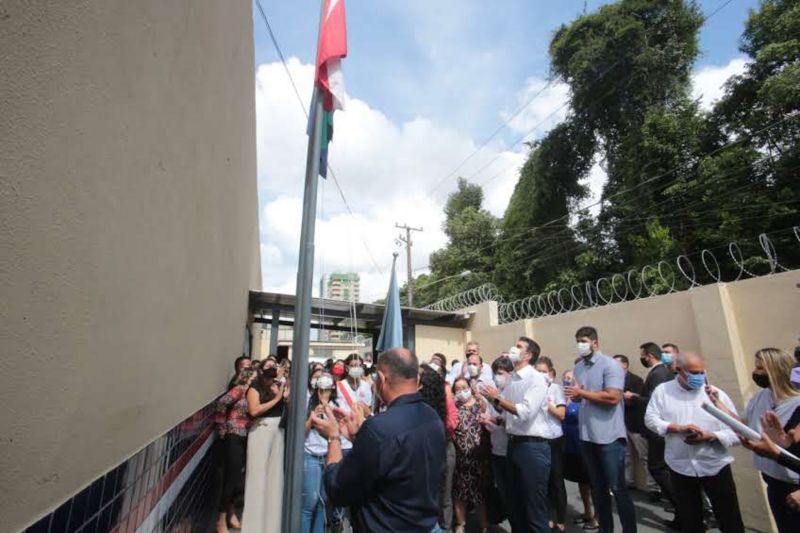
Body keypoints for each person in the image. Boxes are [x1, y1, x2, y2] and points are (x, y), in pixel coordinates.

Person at [312, 348, 446, 532]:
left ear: (382, 379)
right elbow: (397, 461)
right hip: (426, 525)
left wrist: (333, 437)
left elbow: (338, 489)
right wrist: (359, 437)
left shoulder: (379, 428)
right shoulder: (433, 417)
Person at [645, 352, 745, 533]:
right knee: (691, 521)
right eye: (693, 373)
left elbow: (738, 433)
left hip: (715, 465)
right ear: (679, 370)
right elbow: (650, 419)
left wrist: (711, 436)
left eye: (701, 372)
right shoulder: (663, 391)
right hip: (680, 466)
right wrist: (675, 428)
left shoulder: (715, 395)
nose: (699, 377)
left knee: (730, 519)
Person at [712, 347, 800, 532]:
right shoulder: (761, 397)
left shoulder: (796, 404)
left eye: (760, 368)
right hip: (773, 480)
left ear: (776, 370)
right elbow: (744, 424)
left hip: (794, 485)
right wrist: (716, 405)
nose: (755, 373)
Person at [566, 326, 637, 533]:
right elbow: (583, 395)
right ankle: (605, 528)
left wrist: (583, 394)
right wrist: (578, 396)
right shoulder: (579, 368)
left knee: (618, 488)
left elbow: (613, 397)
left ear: (595, 343)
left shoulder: (610, 365)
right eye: (578, 340)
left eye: (585, 340)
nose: (581, 344)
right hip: (587, 436)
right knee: (598, 489)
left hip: (609, 438)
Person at [480, 336, 550, 532]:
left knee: (534, 507)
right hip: (513, 445)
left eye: (518, 346)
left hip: (532, 447)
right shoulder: (512, 381)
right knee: (515, 505)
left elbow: (525, 411)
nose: (513, 348)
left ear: (528, 355)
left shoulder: (536, 378)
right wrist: (493, 401)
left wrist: (497, 399)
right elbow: (507, 414)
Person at [629, 342, 679, 526]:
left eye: (643, 355)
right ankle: (682, 510)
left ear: (649, 355)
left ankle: (683, 507)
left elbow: (653, 401)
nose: (642, 358)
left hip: (659, 430)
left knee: (657, 467)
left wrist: (633, 397)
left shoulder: (658, 374)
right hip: (662, 429)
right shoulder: (663, 372)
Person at [302, 372, 352, 533]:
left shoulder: (336, 406)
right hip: (311, 456)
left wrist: (330, 413)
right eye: (321, 390)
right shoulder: (308, 404)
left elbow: (338, 431)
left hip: (327, 456)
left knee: (323, 502)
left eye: (328, 390)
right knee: (310, 503)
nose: (324, 394)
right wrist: (312, 418)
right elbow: (301, 433)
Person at [241, 367, 287, 533]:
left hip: (278, 430)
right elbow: (254, 410)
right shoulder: (254, 388)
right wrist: (277, 399)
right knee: (256, 479)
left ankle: (272, 527)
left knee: (275, 480)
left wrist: (281, 395)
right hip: (261, 428)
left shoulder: (279, 387)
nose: (270, 379)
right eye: (267, 375)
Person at [215, 368, 256, 533]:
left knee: (238, 477)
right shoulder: (239, 389)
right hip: (234, 435)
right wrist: (222, 426)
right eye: (254, 376)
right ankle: (221, 518)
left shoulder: (253, 392)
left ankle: (231, 512)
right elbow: (221, 403)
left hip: (246, 435)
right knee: (231, 478)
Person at [421, 359, 457, 531]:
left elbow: (452, 422)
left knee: (445, 496)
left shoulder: (446, 397)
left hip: (444, 447)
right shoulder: (416, 401)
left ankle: (446, 527)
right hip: (423, 449)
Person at [451, 377, 490, 532]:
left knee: (479, 493)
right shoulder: (454, 406)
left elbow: (488, 419)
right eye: (458, 389)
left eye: (464, 387)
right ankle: (461, 524)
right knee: (459, 492)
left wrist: (478, 394)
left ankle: (484, 526)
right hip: (460, 457)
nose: (462, 391)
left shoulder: (479, 404)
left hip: (478, 457)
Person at [562, 368, 599, 530]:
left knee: (593, 483)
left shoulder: (582, 398)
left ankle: (598, 517)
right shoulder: (563, 397)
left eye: (570, 378)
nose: (567, 381)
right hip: (569, 446)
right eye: (565, 379)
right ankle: (587, 512)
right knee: (581, 482)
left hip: (583, 444)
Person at [613, 354, 655, 494]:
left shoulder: (636, 380)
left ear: (625, 365)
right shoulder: (612, 381)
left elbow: (641, 400)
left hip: (635, 423)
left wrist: (628, 397)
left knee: (644, 455)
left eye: (616, 364)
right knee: (626, 455)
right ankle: (628, 481)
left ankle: (653, 487)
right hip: (620, 423)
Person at [535, 356, 567, 532]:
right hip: (538, 438)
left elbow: (562, 414)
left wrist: (547, 405)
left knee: (556, 480)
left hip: (554, 439)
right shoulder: (532, 389)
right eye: (537, 371)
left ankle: (561, 518)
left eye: (543, 371)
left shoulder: (555, 389)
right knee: (543, 481)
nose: (540, 374)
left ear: (551, 374)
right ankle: (547, 516)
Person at [480, 356, 514, 523]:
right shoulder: (495, 393)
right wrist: (488, 421)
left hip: (511, 451)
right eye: (495, 373)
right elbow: (495, 419)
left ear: (510, 373)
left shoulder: (513, 392)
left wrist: (496, 419)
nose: (497, 377)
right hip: (496, 449)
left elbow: (512, 419)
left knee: (515, 492)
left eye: (500, 373)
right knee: (504, 491)